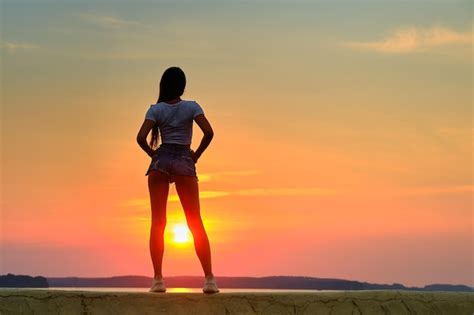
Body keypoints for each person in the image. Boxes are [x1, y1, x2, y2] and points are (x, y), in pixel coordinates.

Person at [136, 66, 219, 294]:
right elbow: (209, 132)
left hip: (160, 163)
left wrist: (155, 156)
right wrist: (196, 155)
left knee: (158, 223)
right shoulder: (192, 107)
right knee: (195, 221)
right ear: (182, 86)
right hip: (184, 159)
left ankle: (158, 280)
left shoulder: (156, 109)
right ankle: (209, 279)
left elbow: (141, 138)